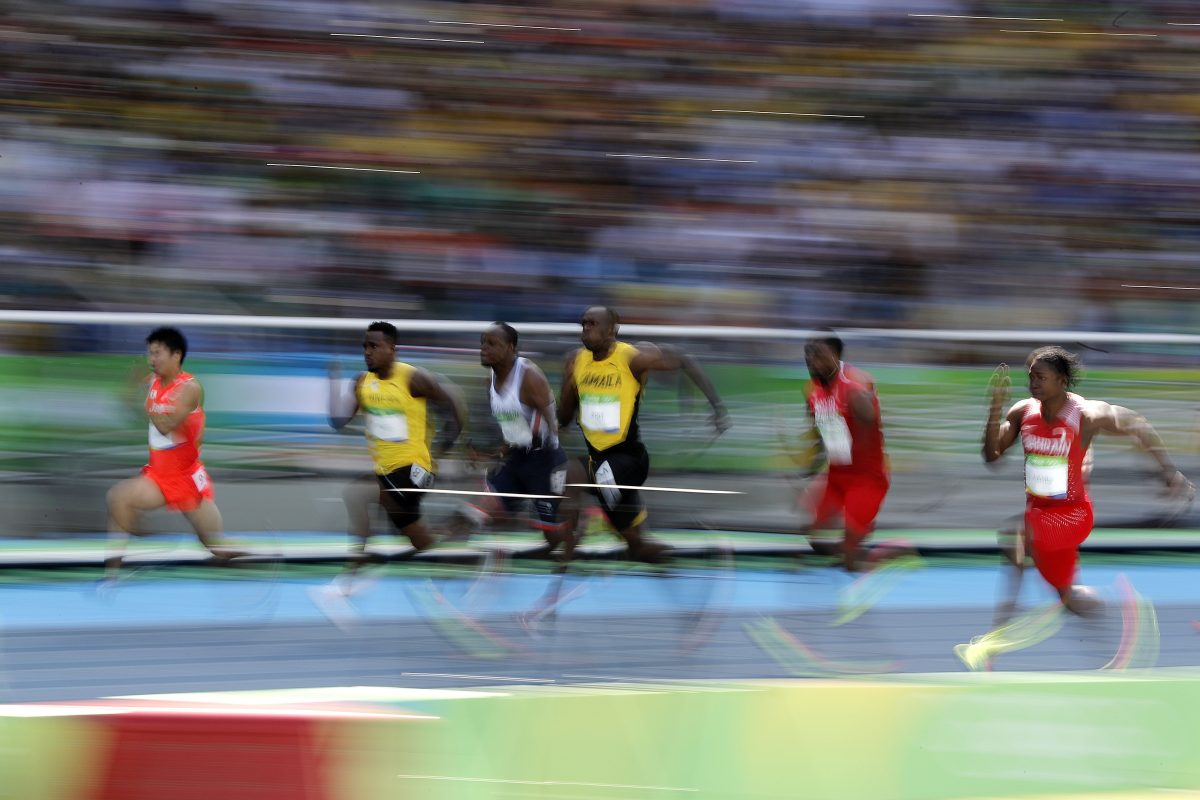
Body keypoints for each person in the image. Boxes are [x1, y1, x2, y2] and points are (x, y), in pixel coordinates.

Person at [981, 346, 1193, 613]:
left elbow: (1137, 425)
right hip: (1039, 513)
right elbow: (992, 457)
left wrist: (1168, 471)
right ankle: (1109, 608)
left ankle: (1005, 619)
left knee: (1014, 535)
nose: (1033, 383)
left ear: (1062, 380)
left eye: (1041, 377)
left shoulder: (1085, 414)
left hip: (1073, 516)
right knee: (1070, 599)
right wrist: (994, 409)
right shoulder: (1024, 412)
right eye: (1031, 376)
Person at [557, 305, 730, 563]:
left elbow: (683, 359)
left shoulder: (632, 358)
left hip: (629, 459)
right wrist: (563, 407)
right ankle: (673, 555)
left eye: (593, 324)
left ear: (611, 330)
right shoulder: (576, 361)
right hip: (599, 461)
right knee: (637, 545)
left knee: (572, 474)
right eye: (583, 323)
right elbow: (565, 416)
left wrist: (717, 408)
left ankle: (568, 555)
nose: (586, 329)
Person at [105, 327, 244, 578]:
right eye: (149, 354)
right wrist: (130, 386)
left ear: (176, 355)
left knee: (216, 548)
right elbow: (128, 407)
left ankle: (266, 557)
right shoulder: (153, 382)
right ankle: (110, 577)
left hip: (187, 480)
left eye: (157, 353)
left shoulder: (190, 388)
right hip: (159, 477)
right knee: (119, 498)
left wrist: (145, 398)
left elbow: (166, 425)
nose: (151, 360)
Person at [329, 321, 466, 576]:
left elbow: (453, 405)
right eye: (365, 347)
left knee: (357, 494)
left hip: (415, 471)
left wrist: (443, 449)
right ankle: (461, 536)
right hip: (386, 473)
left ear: (392, 348)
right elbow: (337, 422)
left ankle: (357, 564)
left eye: (374, 346)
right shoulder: (362, 383)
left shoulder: (414, 378)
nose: (367, 352)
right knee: (421, 542)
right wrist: (333, 383)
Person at [446, 322, 574, 556]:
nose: (484, 349)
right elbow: (514, 432)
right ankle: (456, 559)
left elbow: (553, 424)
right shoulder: (491, 384)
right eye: (482, 343)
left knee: (552, 535)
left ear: (511, 348)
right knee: (481, 512)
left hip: (545, 462)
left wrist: (544, 435)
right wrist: (493, 454)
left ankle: (581, 529)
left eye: (492, 344)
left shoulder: (528, 376)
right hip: (518, 460)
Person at [799, 331, 889, 572]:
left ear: (835, 355)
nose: (811, 361)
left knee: (850, 563)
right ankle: (854, 540)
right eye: (808, 355)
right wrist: (812, 465)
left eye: (818, 355)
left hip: (866, 478)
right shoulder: (812, 392)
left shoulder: (856, 386)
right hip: (837, 476)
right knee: (814, 540)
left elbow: (871, 430)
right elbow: (824, 437)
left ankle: (893, 551)